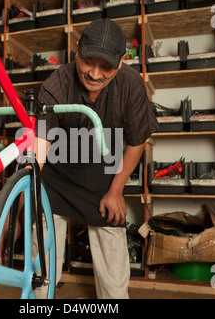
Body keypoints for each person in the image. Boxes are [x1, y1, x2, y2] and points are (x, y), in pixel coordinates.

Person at [33, 18, 159, 299]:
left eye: (107, 67)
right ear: (77, 49)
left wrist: (116, 191)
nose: (95, 74)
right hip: (56, 179)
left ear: (122, 61)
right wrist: (29, 194)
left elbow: (136, 143)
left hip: (103, 179)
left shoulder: (131, 85)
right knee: (41, 274)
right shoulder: (56, 83)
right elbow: (40, 145)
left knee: (115, 284)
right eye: (89, 61)